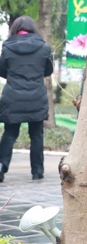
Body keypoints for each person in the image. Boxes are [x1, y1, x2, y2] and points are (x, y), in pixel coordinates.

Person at [0, 16, 53, 181]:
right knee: (36, 134)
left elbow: (2, 71)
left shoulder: (7, 48)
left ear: (14, 29)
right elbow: (48, 70)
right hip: (36, 97)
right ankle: (37, 171)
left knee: (9, 133)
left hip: (12, 97)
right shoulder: (44, 48)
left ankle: (1, 166)